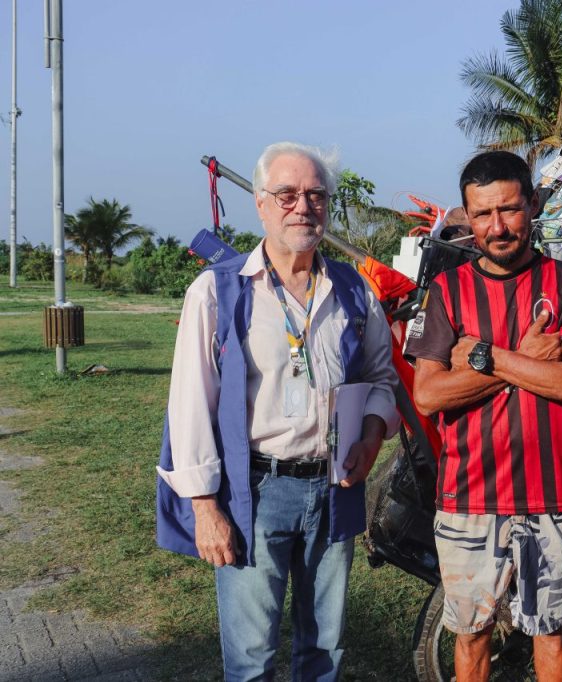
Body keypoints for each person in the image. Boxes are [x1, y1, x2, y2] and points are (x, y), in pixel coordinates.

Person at [155, 141, 399, 681]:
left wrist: (372, 436)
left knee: (326, 650)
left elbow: (382, 378)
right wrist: (204, 509)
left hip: (334, 489)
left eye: (315, 195)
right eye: (286, 195)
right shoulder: (218, 292)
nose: (302, 207)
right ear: (262, 205)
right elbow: (190, 406)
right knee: (251, 659)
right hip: (256, 493)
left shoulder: (354, 291)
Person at [405, 150, 562, 682]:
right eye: (482, 214)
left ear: (533, 204)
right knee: (471, 638)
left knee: (551, 635)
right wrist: (527, 357)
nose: (497, 227)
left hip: (549, 501)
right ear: (467, 218)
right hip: (467, 501)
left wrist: (488, 355)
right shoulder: (446, 291)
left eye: (510, 210)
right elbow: (428, 395)